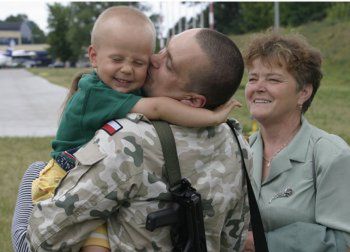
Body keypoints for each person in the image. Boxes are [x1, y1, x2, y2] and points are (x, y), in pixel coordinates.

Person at [30, 6, 239, 252]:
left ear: (193, 102)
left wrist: (212, 117)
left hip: (69, 193)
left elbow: (44, 238)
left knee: (31, 178)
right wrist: (214, 117)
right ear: (94, 56)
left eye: (167, 62)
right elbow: (234, 234)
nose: (153, 60)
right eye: (162, 50)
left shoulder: (128, 141)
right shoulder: (235, 141)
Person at [243, 32, 350, 251]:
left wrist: (260, 244)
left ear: (303, 92)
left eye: (273, 79)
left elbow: (344, 241)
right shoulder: (242, 151)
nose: (258, 87)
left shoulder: (331, 155)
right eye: (253, 78)